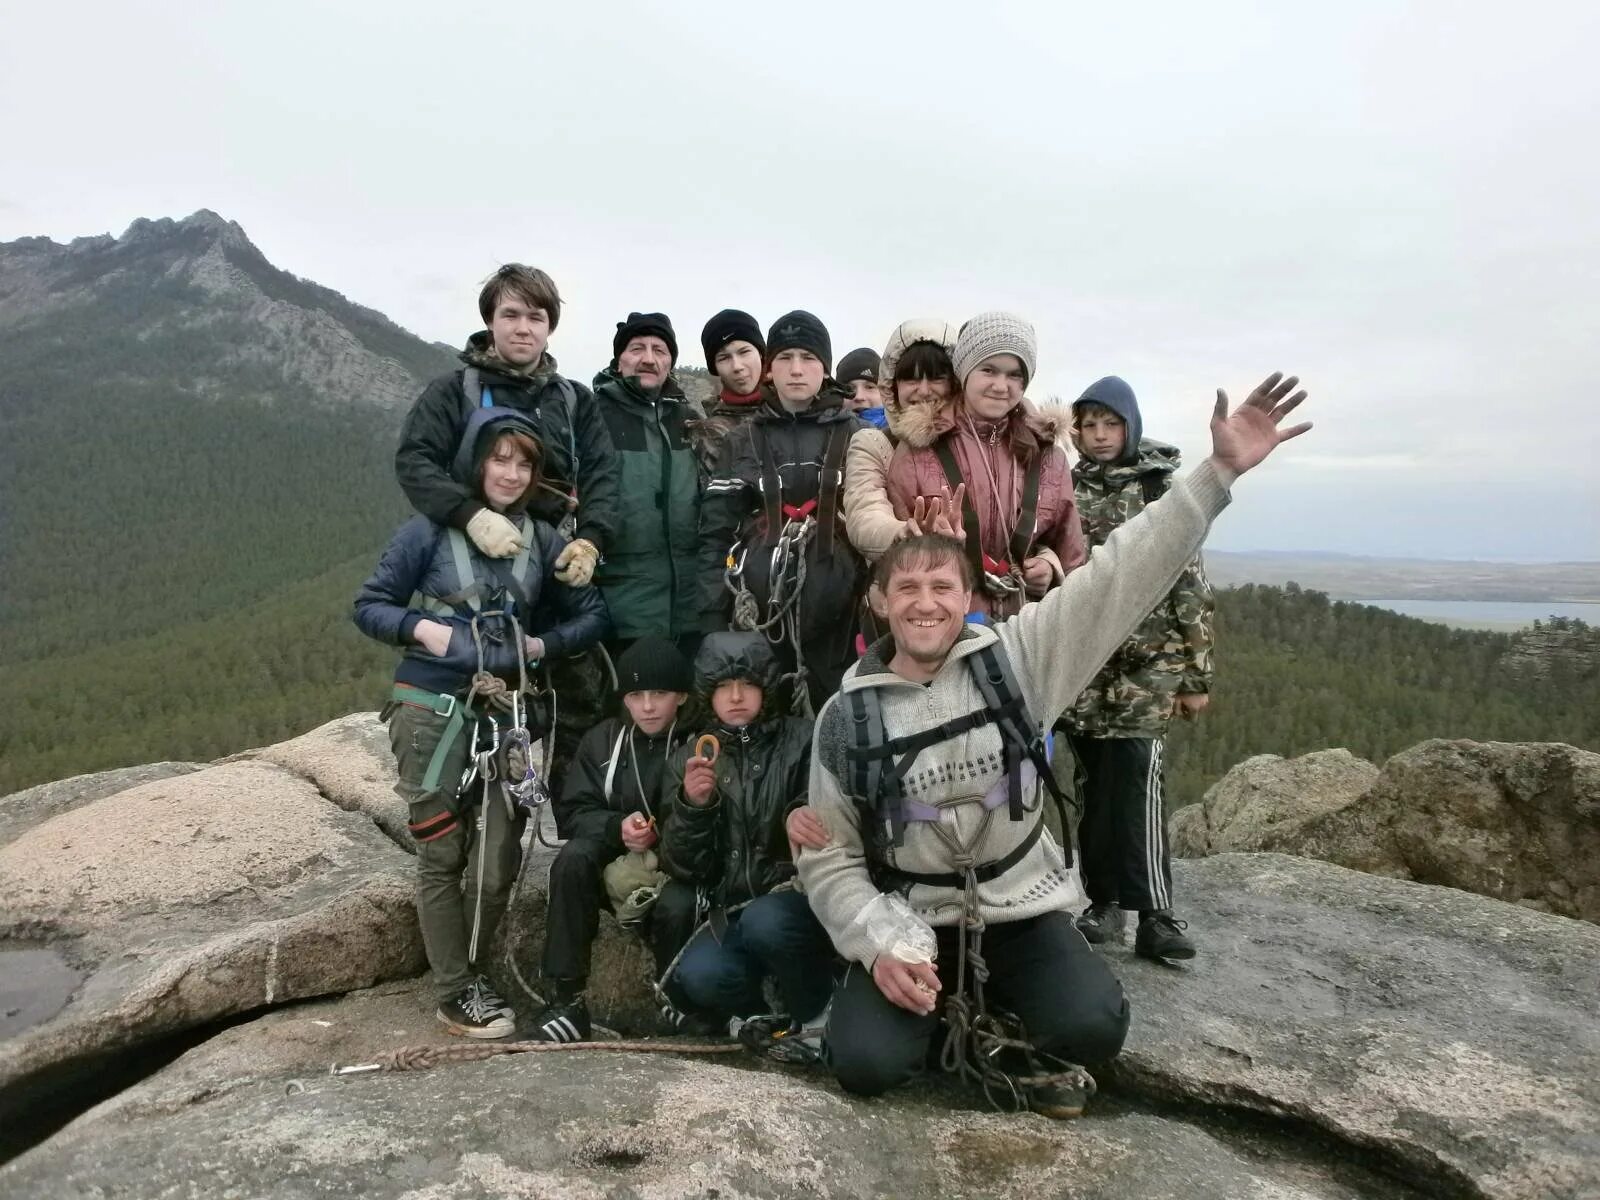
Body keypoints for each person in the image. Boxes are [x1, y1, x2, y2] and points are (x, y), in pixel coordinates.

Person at [795, 373, 1310, 1115]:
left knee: (1094, 1024)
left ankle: (986, 1012)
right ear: (878, 601)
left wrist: (1217, 473)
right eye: (905, 589)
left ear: (969, 594)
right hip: (911, 915)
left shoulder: (1017, 661)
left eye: (943, 586)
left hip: (1020, 908)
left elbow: (1118, 575)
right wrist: (876, 945)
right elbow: (833, 857)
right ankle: (948, 1012)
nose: (925, 603)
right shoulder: (846, 716)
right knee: (864, 1066)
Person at [355, 409, 610, 1038]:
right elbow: (370, 606)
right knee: (443, 849)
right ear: (477, 463)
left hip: (507, 715)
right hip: (431, 707)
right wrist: (424, 628)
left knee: (498, 859)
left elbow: (591, 615)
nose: (511, 473)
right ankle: (455, 989)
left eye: (524, 463)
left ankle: (467, 968)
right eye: (500, 459)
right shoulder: (428, 533)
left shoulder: (543, 540)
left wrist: (539, 648)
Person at [392, 264, 620, 799]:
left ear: (550, 326)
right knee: (482, 693)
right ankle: (471, 817)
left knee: (576, 697)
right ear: (490, 322)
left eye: (535, 317)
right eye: (510, 315)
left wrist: (591, 539)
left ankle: (568, 830)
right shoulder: (454, 391)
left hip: (551, 559)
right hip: (477, 567)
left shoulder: (572, 399)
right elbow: (415, 461)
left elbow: (604, 475)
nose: (523, 327)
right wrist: (470, 514)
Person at [1062, 377, 1214, 962]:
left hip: (1148, 667)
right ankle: (1103, 905)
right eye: (1089, 425)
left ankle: (1157, 914)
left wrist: (1196, 676)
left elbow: (1190, 586)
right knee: (1094, 788)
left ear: (1132, 426)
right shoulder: (1067, 490)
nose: (1100, 436)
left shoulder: (1162, 491)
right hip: (1083, 665)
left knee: (1139, 782)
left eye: (1111, 425)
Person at [656, 632, 834, 1045]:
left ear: (766, 688)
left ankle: (816, 1014)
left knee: (766, 921)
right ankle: (762, 1018)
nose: (736, 696)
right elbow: (683, 866)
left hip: (798, 901)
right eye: (723, 686)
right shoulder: (687, 759)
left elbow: (826, 806)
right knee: (700, 973)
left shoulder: (804, 738)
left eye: (748, 684)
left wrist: (798, 812)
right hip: (731, 910)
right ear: (706, 693)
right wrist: (693, 806)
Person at [528, 637, 697, 1042]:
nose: (649, 706)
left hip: (679, 862)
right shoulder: (604, 740)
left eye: (660, 694)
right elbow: (573, 811)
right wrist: (616, 828)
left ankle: (678, 1000)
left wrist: (670, 829)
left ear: (683, 696)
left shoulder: (700, 743)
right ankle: (566, 998)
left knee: (681, 902)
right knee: (572, 860)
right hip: (616, 858)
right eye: (637, 695)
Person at [697, 311, 865, 713]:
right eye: (785, 358)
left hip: (844, 621)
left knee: (839, 732)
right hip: (759, 618)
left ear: (824, 367)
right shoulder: (741, 440)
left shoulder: (859, 435)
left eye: (808, 358)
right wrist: (709, 622)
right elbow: (715, 535)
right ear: (769, 369)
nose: (796, 370)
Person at [886, 312, 1085, 619]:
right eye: (988, 370)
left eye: (1014, 374)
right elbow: (897, 556)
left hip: (1029, 628)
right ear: (964, 372)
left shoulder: (1048, 457)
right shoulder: (918, 450)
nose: (1001, 385)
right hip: (947, 628)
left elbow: (1070, 554)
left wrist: (1051, 567)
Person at [590, 313, 702, 656]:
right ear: (619, 359)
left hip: (690, 608)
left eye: (659, 349)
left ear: (670, 361)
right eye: (637, 348)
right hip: (620, 607)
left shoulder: (691, 421)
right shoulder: (591, 416)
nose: (649, 359)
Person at [687, 309, 766, 475]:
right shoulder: (708, 434)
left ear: (760, 353)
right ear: (715, 368)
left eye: (744, 352)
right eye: (724, 358)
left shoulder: (796, 411)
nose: (737, 366)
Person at [836, 346, 885, 426]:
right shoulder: (822, 434)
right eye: (849, 389)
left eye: (869, 387)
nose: (859, 397)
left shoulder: (904, 435)